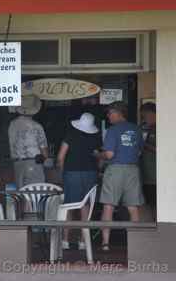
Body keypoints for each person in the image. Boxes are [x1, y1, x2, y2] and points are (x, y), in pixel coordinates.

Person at [98, 101, 144, 251]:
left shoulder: (113, 130)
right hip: (133, 170)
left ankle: (105, 243)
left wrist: (99, 155)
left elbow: (109, 154)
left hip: (115, 169)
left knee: (109, 206)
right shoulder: (136, 129)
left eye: (110, 113)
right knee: (133, 207)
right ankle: (137, 242)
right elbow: (139, 152)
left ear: (118, 113)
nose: (108, 116)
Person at [57, 113, 102, 250]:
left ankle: (65, 240)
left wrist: (62, 173)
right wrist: (97, 171)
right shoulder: (95, 138)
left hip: (72, 174)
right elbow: (100, 158)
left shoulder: (70, 136)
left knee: (69, 206)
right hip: (90, 174)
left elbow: (60, 157)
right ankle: (83, 242)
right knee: (85, 206)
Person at [8, 95, 48, 189]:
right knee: (34, 196)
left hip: (17, 165)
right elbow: (45, 153)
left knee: (22, 197)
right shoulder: (36, 126)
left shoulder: (12, 125)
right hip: (33, 164)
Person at [140, 102, 156, 217]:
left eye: (145, 115)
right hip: (144, 174)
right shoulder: (143, 127)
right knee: (148, 203)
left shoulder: (162, 127)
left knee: (157, 203)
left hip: (156, 176)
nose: (144, 118)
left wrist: (144, 145)